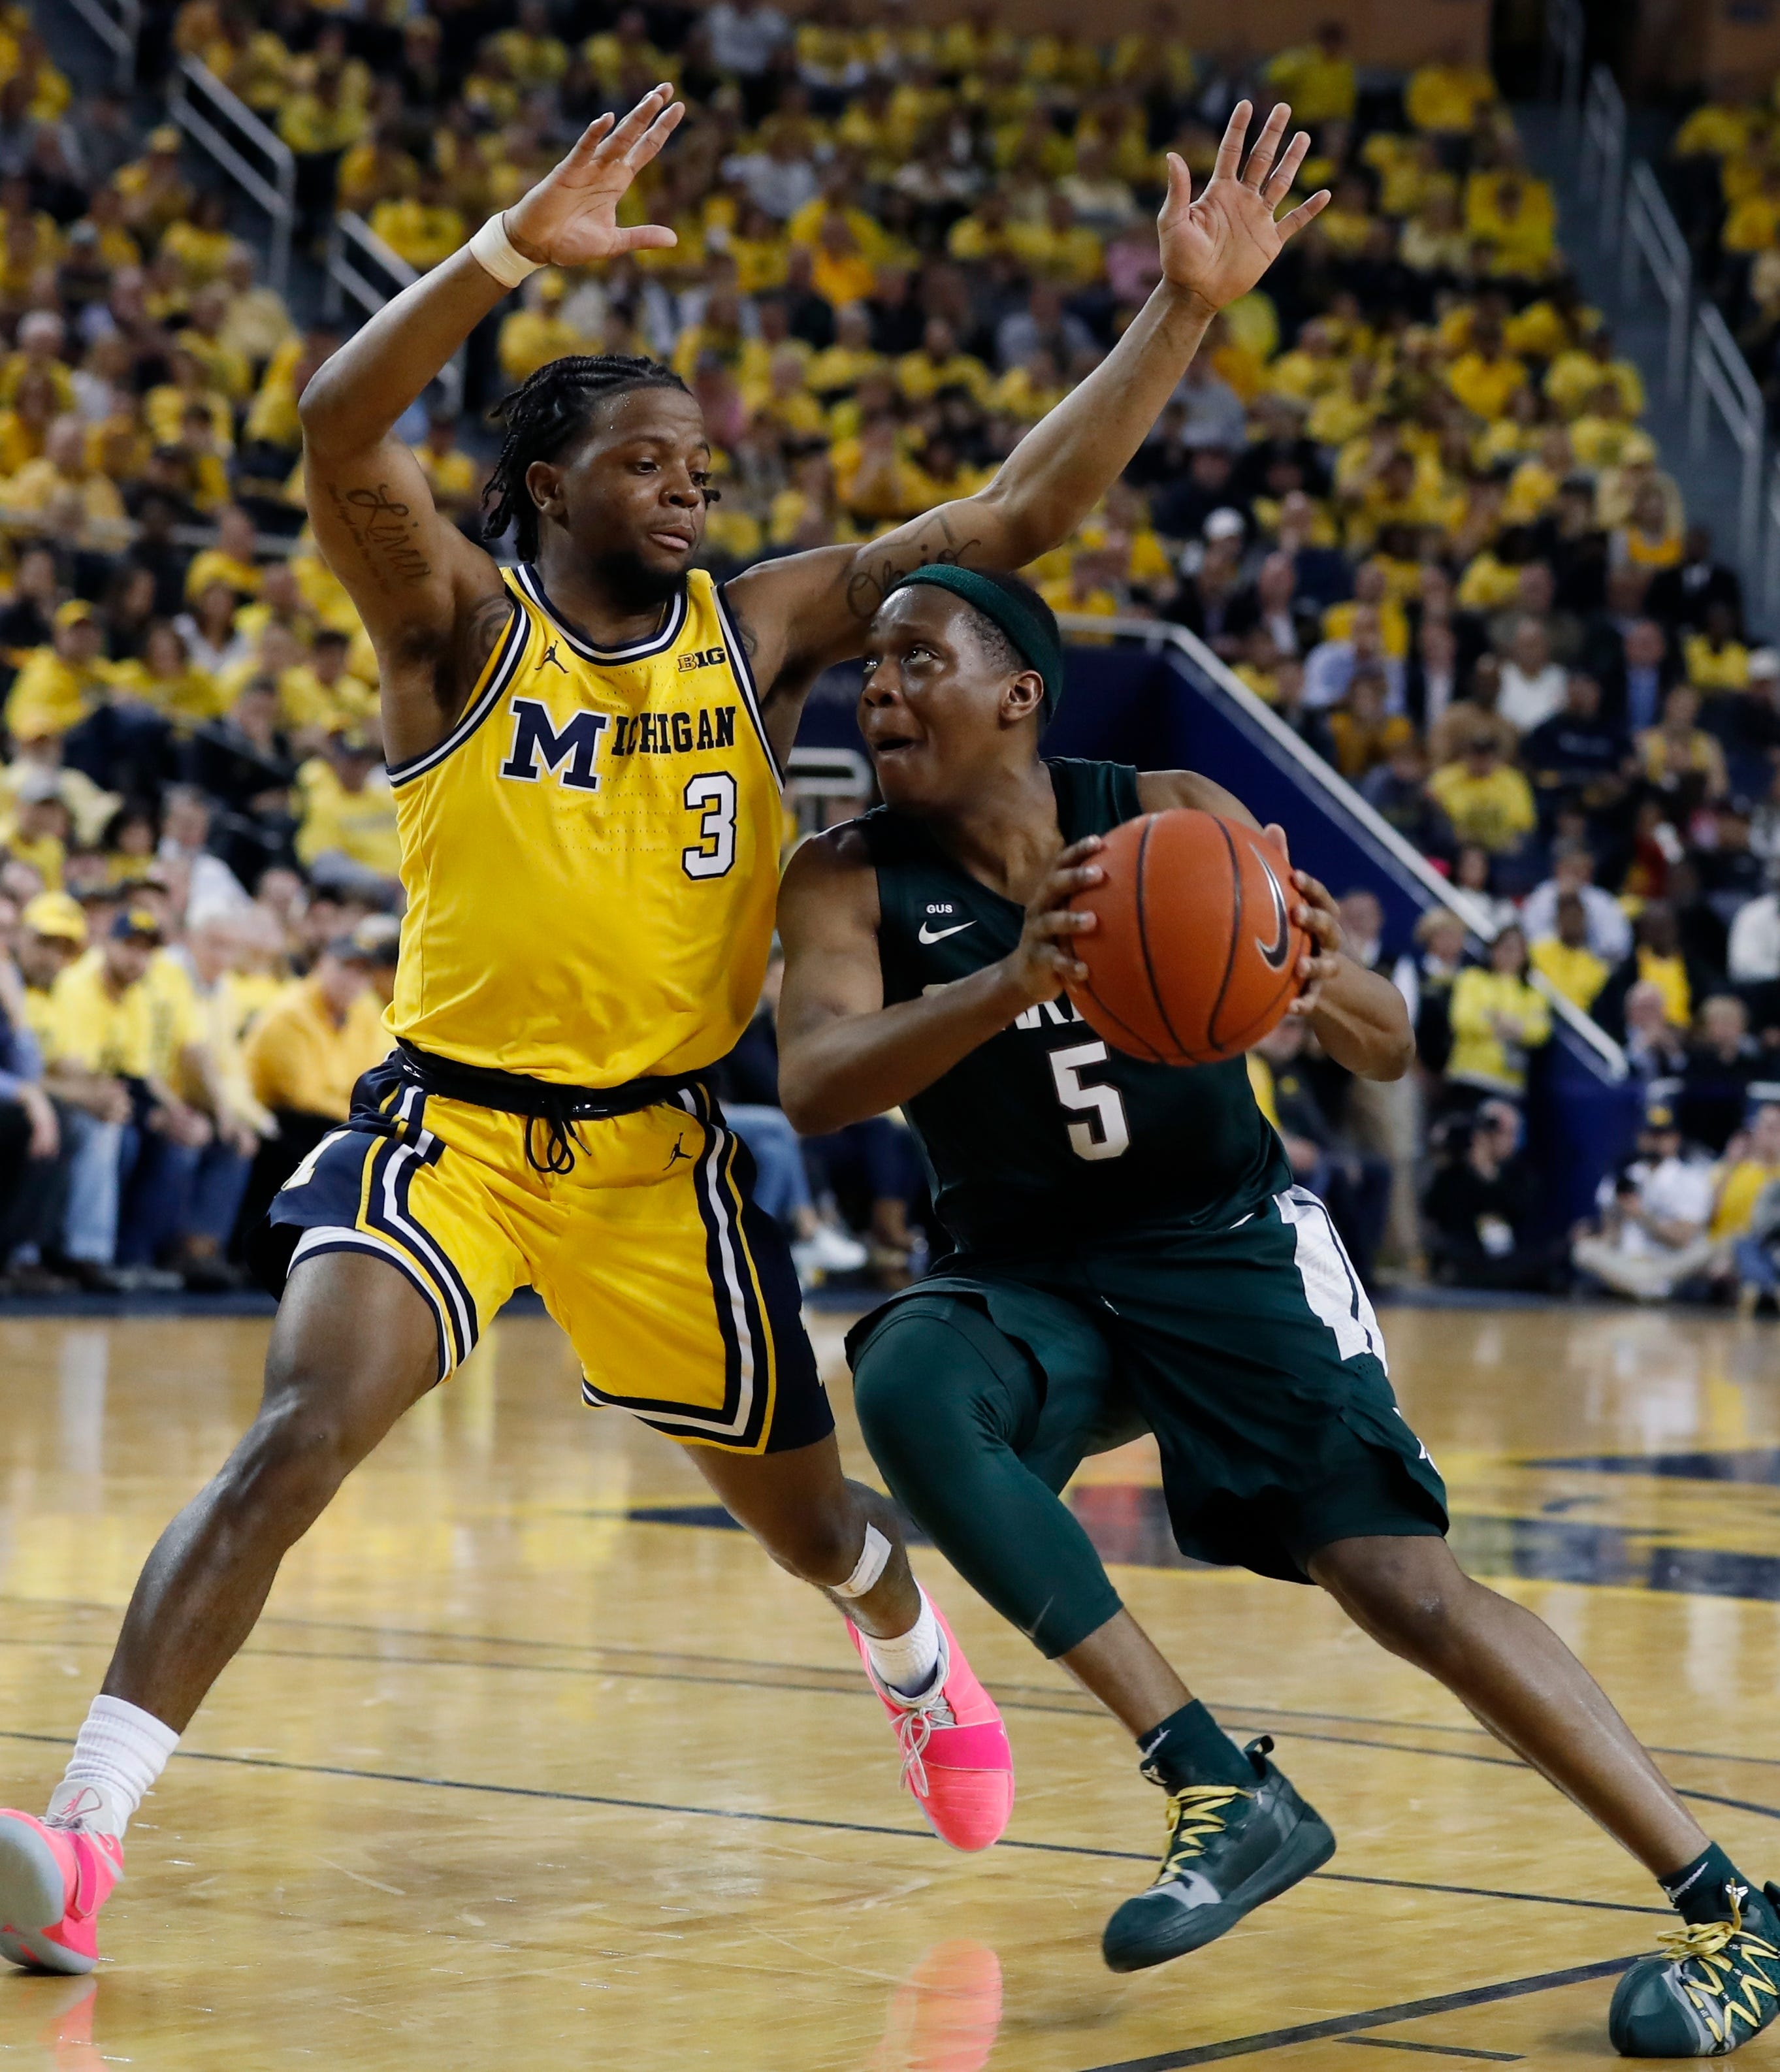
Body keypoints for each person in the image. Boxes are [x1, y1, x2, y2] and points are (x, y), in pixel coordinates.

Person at [0, 89, 1338, 1973]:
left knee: (814, 1527)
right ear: (549, 488)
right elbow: (332, 426)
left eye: (699, 457)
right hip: (449, 1133)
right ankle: (81, 1836)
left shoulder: (765, 625)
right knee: (300, 1429)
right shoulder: (457, 629)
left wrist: (1180, 312)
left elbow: (1015, 516)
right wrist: (498, 262)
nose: (691, 482)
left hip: (659, 1162)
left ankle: (903, 1639)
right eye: (646, 458)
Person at [772, 568, 1780, 2051]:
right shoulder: (846, 874)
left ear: (1018, 695)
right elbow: (814, 1082)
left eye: (918, 660)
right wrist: (1010, 979)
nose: (878, 690)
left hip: (1224, 1246)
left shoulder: (1168, 809)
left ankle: (1728, 1910)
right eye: (871, 667)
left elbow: (1384, 1040)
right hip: (1033, 1276)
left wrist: (1308, 966)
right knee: (912, 1376)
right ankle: (1213, 1782)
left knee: (1404, 1590)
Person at [1573, 1102, 1718, 1304]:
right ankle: (1646, 1288)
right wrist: (1601, 1228)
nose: (1655, 1142)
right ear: (1640, 1138)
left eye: (1662, 1136)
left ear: (1675, 1139)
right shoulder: (1622, 1176)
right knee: (1584, 1250)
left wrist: (1641, 1216)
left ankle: (1638, 1288)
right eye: (1650, 1135)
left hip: (1668, 1263)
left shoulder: (1691, 1179)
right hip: (1626, 1263)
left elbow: (1683, 1239)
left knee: (1708, 1250)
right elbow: (1610, 1237)